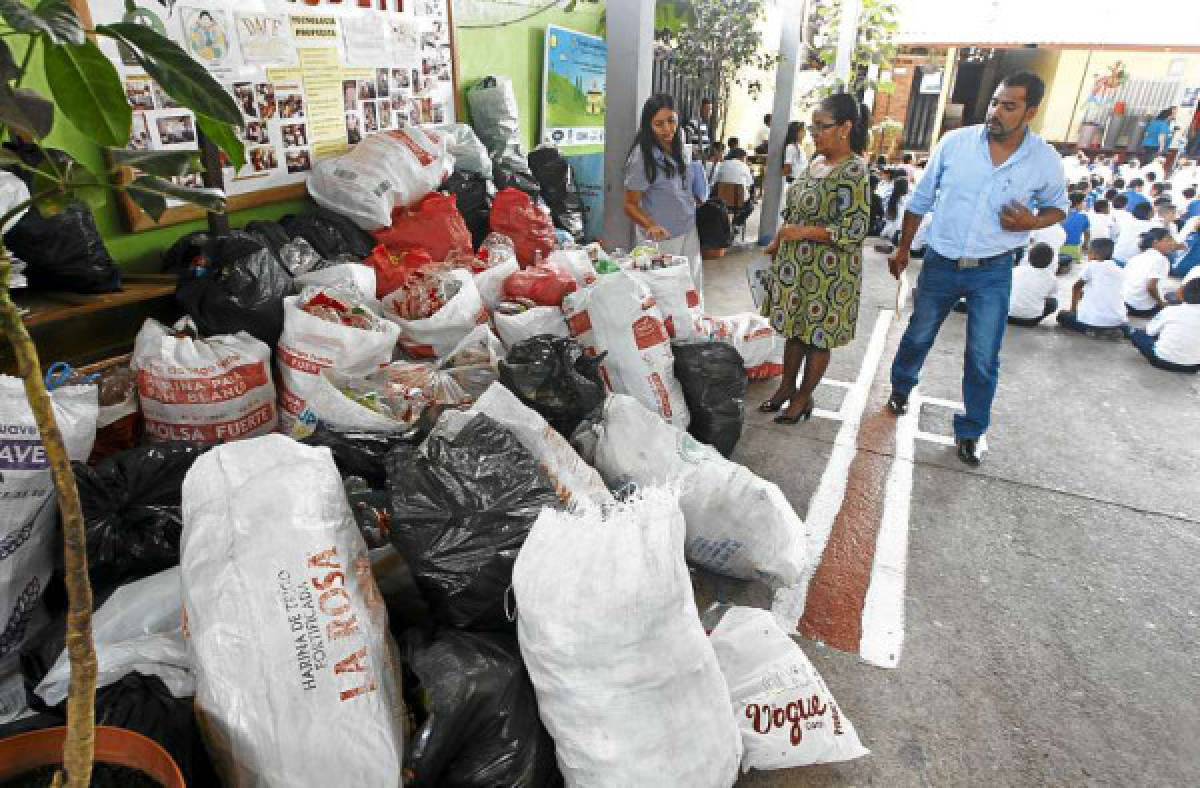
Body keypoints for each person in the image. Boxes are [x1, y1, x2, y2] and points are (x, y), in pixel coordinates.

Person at [886, 72, 1067, 466]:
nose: (996, 112)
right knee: (918, 334)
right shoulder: (955, 143)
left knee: (983, 355)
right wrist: (903, 249)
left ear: (1030, 112)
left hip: (994, 270)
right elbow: (919, 200)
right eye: (995, 102)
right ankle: (901, 387)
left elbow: (1058, 207)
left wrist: (1031, 223)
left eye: (1009, 106)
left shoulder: (1044, 159)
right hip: (941, 261)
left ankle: (971, 429)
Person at [759, 93, 871, 425]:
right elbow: (795, 211)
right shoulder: (815, 163)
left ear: (845, 128)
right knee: (794, 332)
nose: (815, 134)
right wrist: (781, 238)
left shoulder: (853, 172)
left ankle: (803, 397)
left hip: (829, 273)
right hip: (798, 268)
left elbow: (855, 229)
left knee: (817, 337)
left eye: (822, 127)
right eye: (812, 127)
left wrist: (802, 233)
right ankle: (785, 388)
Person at [623, 93, 704, 292]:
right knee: (667, 293)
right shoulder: (642, 157)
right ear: (648, 125)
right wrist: (651, 225)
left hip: (688, 228)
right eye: (659, 124)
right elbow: (630, 204)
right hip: (662, 238)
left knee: (692, 287)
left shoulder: (680, 140)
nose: (668, 129)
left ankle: (694, 323)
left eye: (672, 121)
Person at [1056, 238, 1127, 336]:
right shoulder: (1120, 270)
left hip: (1093, 321)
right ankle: (1113, 329)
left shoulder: (1092, 266)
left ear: (1094, 254)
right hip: (1117, 320)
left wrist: (1073, 309)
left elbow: (1076, 287)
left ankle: (1092, 330)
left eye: (1089, 252)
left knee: (1062, 316)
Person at [1128, 278, 1200, 373]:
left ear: (1183, 293)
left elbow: (1149, 331)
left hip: (1161, 360)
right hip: (1193, 367)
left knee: (1134, 332)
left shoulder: (1171, 310)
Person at [1122, 227, 1182, 317]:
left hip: (1125, 303)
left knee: (1168, 289)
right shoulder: (1161, 260)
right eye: (1168, 240)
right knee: (1178, 298)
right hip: (1141, 309)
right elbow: (1151, 287)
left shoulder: (1138, 256)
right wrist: (1162, 304)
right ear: (1155, 242)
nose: (1172, 243)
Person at [1008, 242, 1059, 326]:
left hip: (1006, 316)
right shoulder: (1052, 278)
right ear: (1050, 261)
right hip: (1030, 321)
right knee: (1053, 303)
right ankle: (1030, 314)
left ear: (1028, 258)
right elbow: (1049, 298)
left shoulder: (1016, 270)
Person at [1059, 192, 1091, 265]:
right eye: (1084, 201)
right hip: (1072, 251)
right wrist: (1085, 246)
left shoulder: (1059, 215)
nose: (1085, 203)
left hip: (1057, 248)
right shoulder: (1083, 217)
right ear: (1078, 204)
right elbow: (1087, 235)